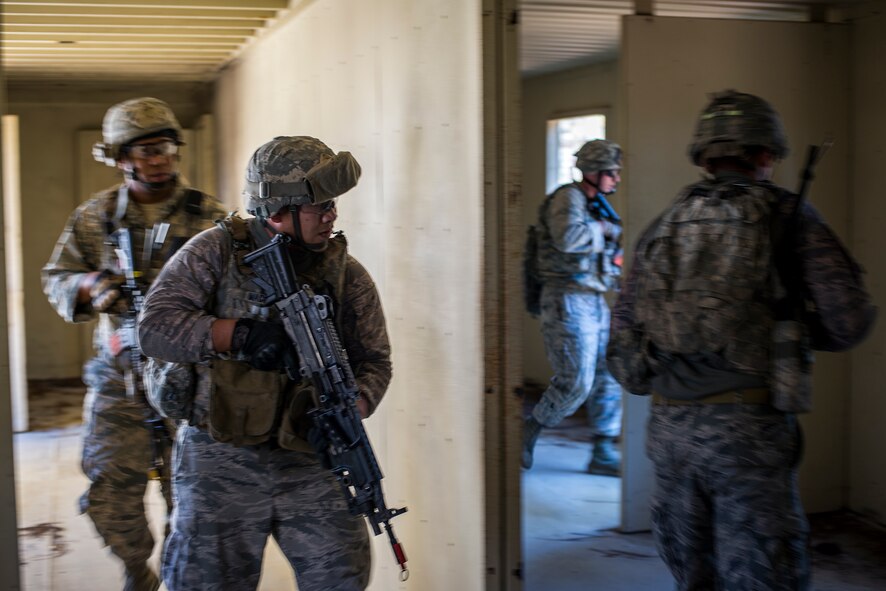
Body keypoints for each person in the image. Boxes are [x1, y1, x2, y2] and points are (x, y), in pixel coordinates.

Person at [606, 90, 877, 590]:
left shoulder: (664, 223)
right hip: (747, 433)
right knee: (762, 575)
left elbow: (624, 328)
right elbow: (850, 320)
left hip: (668, 432)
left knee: (694, 573)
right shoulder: (788, 216)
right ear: (766, 154)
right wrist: (792, 325)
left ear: (705, 155)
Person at [136, 135, 392, 591]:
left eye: (332, 204)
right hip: (219, 460)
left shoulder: (344, 273)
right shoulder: (212, 252)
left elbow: (374, 360)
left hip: (311, 459)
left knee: (343, 577)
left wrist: (354, 406)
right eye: (320, 205)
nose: (332, 214)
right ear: (277, 210)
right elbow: (155, 327)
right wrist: (236, 335)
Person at [42, 97, 226, 591]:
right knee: (109, 490)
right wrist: (90, 285)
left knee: (191, 494)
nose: (159, 158)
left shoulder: (209, 216)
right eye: (146, 150)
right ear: (120, 157)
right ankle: (135, 568)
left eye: (165, 146)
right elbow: (56, 275)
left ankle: (177, 571)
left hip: (190, 380)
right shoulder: (94, 216)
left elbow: (237, 287)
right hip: (119, 379)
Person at [522, 139, 625, 475]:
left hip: (593, 298)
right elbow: (568, 238)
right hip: (566, 298)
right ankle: (530, 429)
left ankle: (603, 449)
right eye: (612, 173)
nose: (617, 179)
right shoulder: (569, 198)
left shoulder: (594, 204)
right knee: (577, 380)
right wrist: (604, 230)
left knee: (610, 371)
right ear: (594, 171)